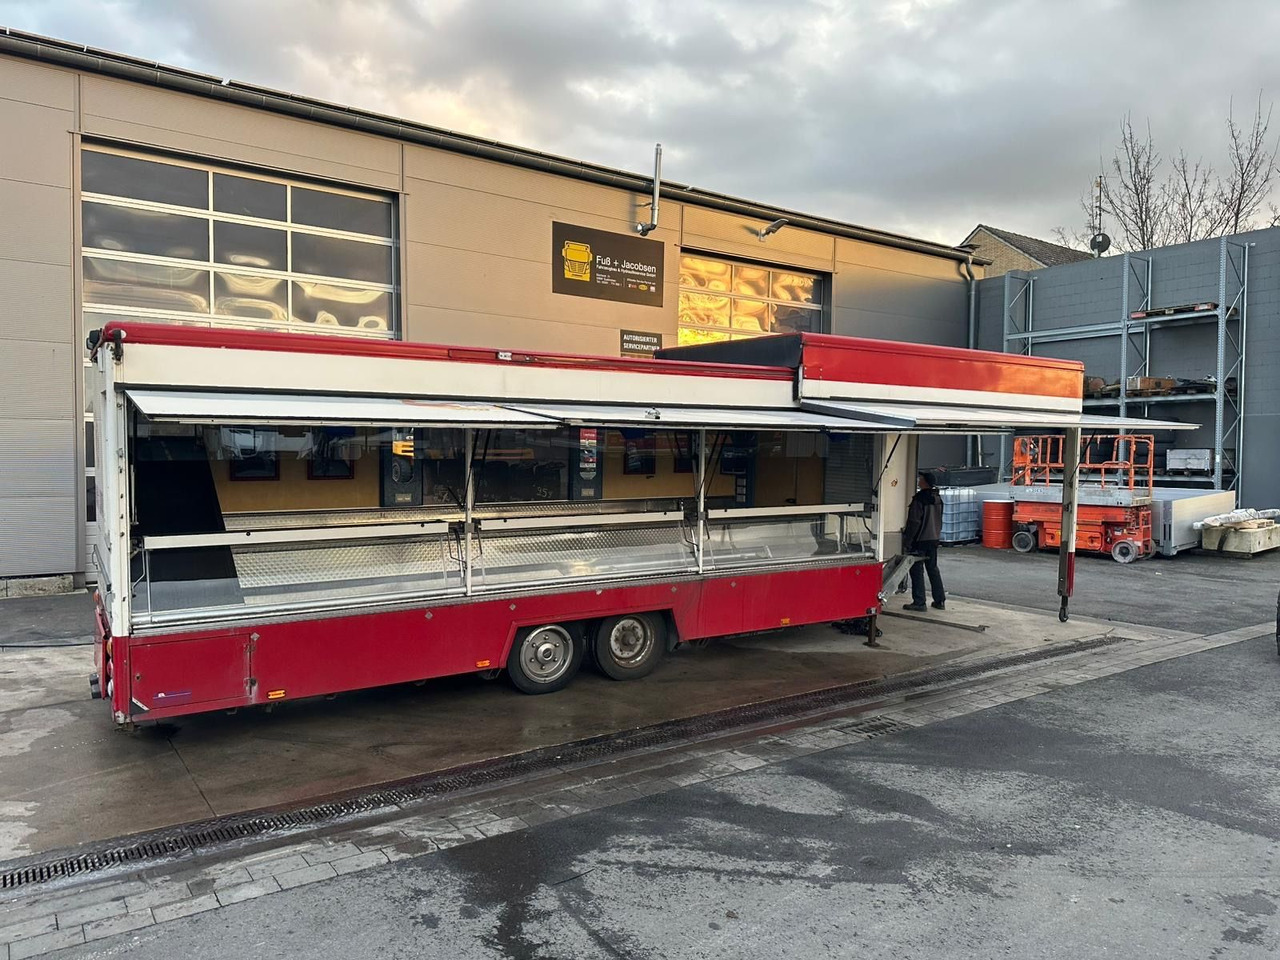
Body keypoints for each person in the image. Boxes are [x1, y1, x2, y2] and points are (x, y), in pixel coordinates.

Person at [902, 471, 946, 612]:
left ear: (925, 482)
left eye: (920, 479)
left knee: (916, 570)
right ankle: (940, 600)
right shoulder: (938, 498)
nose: (918, 481)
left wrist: (907, 541)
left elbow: (914, 522)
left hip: (919, 540)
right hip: (933, 539)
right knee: (933, 569)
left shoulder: (919, 499)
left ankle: (919, 602)